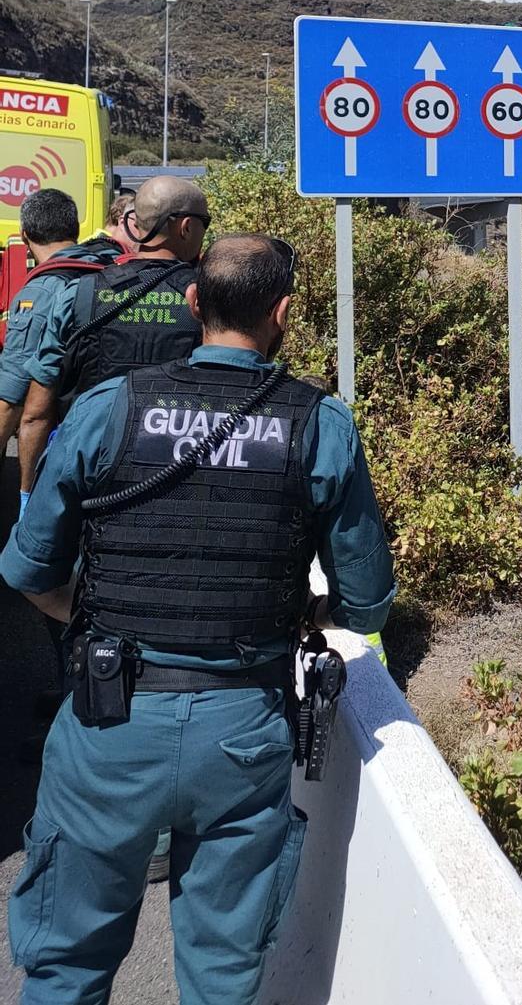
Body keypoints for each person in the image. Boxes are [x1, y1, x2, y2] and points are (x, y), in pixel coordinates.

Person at [2, 234, 395, 1005]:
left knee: (65, 967)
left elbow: (27, 569)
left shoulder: (111, 406)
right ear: (284, 311)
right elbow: (368, 599)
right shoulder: (320, 422)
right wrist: (309, 607)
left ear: (192, 301)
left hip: (107, 721)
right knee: (222, 979)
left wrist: (97, 615)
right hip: (244, 732)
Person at [17, 175, 209, 498]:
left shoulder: (78, 293)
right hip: (173, 478)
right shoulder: (207, 300)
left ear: (135, 224)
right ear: (187, 227)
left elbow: (36, 414)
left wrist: (27, 498)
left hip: (89, 474)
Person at [0, 190, 121, 456]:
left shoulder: (41, 292)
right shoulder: (114, 271)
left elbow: (12, 398)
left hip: (67, 441)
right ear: (75, 229)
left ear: (24, 235)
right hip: (119, 428)